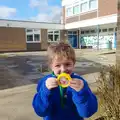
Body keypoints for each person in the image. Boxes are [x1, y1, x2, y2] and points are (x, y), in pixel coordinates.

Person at [32, 41, 98, 120]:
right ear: (51, 66)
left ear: (73, 64)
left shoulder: (80, 83)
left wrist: (81, 92)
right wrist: (45, 91)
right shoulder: (45, 83)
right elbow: (40, 111)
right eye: (57, 65)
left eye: (67, 64)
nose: (63, 70)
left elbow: (87, 113)